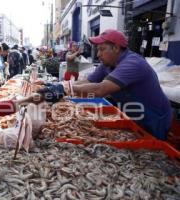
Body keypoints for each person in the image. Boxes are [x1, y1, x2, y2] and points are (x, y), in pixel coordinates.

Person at [39, 29, 172, 140]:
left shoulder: (132, 63)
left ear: (116, 48)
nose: (98, 54)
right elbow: (88, 81)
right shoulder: (107, 65)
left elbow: (100, 89)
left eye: (102, 49)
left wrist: (64, 89)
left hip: (154, 118)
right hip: (133, 113)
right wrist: (61, 85)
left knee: (152, 151)